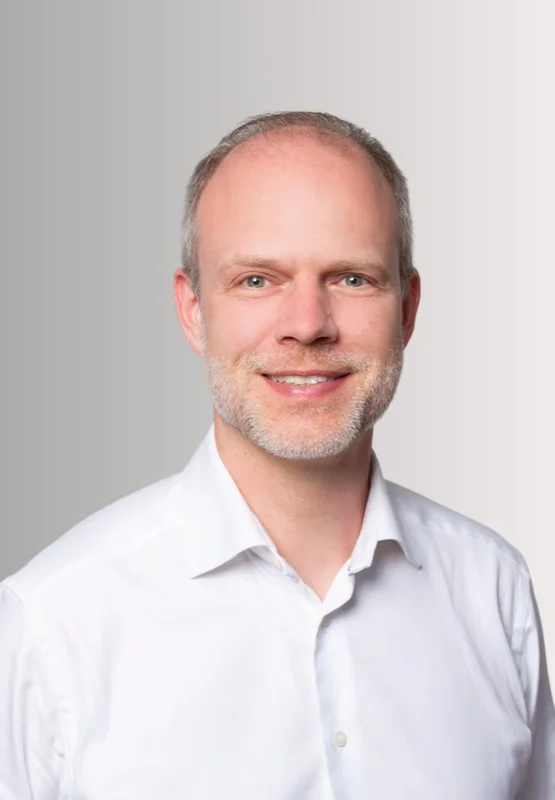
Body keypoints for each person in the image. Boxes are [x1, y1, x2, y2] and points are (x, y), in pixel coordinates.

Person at [1, 111, 553, 799]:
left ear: (407, 310)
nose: (307, 325)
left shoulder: (493, 588)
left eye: (351, 279)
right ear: (193, 310)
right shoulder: (53, 622)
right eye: (258, 280)